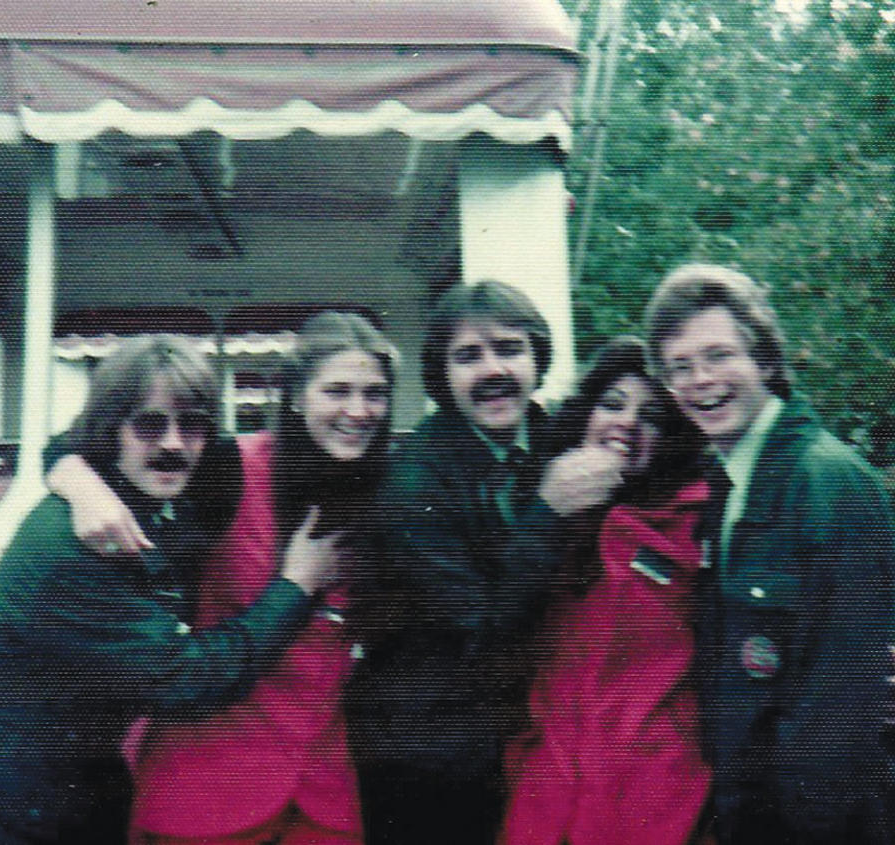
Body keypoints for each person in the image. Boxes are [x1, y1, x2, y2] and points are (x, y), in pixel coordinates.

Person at [0, 334, 341, 844]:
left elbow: (70, 444)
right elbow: (181, 679)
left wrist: (68, 469)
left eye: (191, 424)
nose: (173, 442)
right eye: (149, 424)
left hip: (76, 772)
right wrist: (296, 585)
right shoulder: (73, 545)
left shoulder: (151, 478)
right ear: (110, 433)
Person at [44, 312, 397, 844]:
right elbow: (89, 447)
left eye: (375, 394)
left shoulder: (389, 485)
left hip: (322, 785)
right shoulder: (230, 464)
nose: (358, 410)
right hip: (211, 777)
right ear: (297, 398)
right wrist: (75, 481)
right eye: (338, 391)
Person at [346, 280, 624, 845]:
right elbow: (481, 632)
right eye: (468, 356)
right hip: (431, 757)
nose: (492, 370)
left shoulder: (558, 439)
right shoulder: (412, 482)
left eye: (509, 348)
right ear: (443, 378)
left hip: (539, 736)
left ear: (537, 359)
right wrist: (546, 513)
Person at [644, 263, 895, 844]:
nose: (700, 380)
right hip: (752, 810)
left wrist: (808, 820)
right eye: (680, 368)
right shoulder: (728, 478)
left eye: (718, 356)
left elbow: (844, 690)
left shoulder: (825, 481)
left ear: (764, 360)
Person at [499, 336, 712, 845]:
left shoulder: (698, 519)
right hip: (546, 789)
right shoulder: (539, 507)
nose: (626, 424)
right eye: (612, 404)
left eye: (652, 417)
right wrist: (545, 517)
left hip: (654, 796)